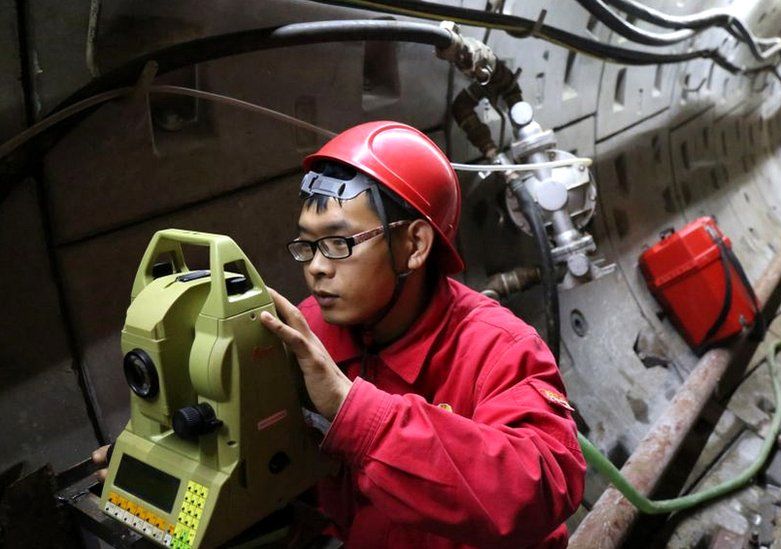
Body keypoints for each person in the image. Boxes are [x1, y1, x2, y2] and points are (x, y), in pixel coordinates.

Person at [95, 121, 585, 547]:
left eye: (337, 243)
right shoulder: (308, 330)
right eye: (306, 246)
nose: (316, 270)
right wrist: (161, 461)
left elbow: (542, 490)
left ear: (413, 244)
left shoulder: (499, 350)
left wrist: (354, 413)